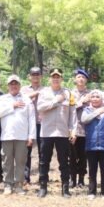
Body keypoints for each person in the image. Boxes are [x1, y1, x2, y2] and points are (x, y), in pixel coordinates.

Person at [36, 68, 75, 198]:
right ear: (49, 79)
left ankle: (65, 189)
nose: (56, 79)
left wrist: (73, 130)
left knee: (64, 161)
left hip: (62, 132)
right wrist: (55, 101)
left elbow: (72, 114)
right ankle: (43, 187)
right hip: (47, 132)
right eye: (53, 77)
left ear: (62, 79)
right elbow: (40, 108)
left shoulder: (68, 93)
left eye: (58, 77)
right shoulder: (43, 92)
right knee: (44, 161)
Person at [0, 75, 36, 195]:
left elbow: (31, 119)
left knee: (21, 162)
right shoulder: (2, 99)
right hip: (7, 135)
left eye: (16, 84)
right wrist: (12, 106)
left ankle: (19, 185)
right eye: (11, 84)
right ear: (8, 86)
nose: (14, 86)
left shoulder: (26, 99)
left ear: (19, 85)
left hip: (22, 136)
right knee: (7, 161)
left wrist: (31, 136)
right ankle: (8, 184)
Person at [81, 90, 104, 199]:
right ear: (90, 99)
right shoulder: (86, 110)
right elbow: (84, 120)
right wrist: (97, 112)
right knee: (92, 170)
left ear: (102, 99)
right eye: (93, 97)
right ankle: (92, 192)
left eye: (97, 97)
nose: (95, 98)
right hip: (91, 145)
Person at [70, 68, 91, 188]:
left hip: (86, 130)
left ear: (86, 80)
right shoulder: (70, 94)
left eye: (83, 77)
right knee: (72, 156)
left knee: (83, 156)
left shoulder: (91, 94)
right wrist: (81, 102)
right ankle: (72, 178)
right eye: (79, 77)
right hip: (73, 129)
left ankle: (81, 179)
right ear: (75, 79)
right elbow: (69, 109)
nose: (81, 79)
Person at [22, 67, 43, 186]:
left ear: (41, 76)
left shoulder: (46, 90)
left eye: (37, 74)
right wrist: (36, 93)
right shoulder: (24, 89)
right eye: (33, 74)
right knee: (26, 151)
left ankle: (42, 177)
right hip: (28, 124)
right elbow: (23, 99)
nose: (35, 76)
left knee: (42, 152)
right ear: (29, 76)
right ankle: (26, 178)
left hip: (42, 124)